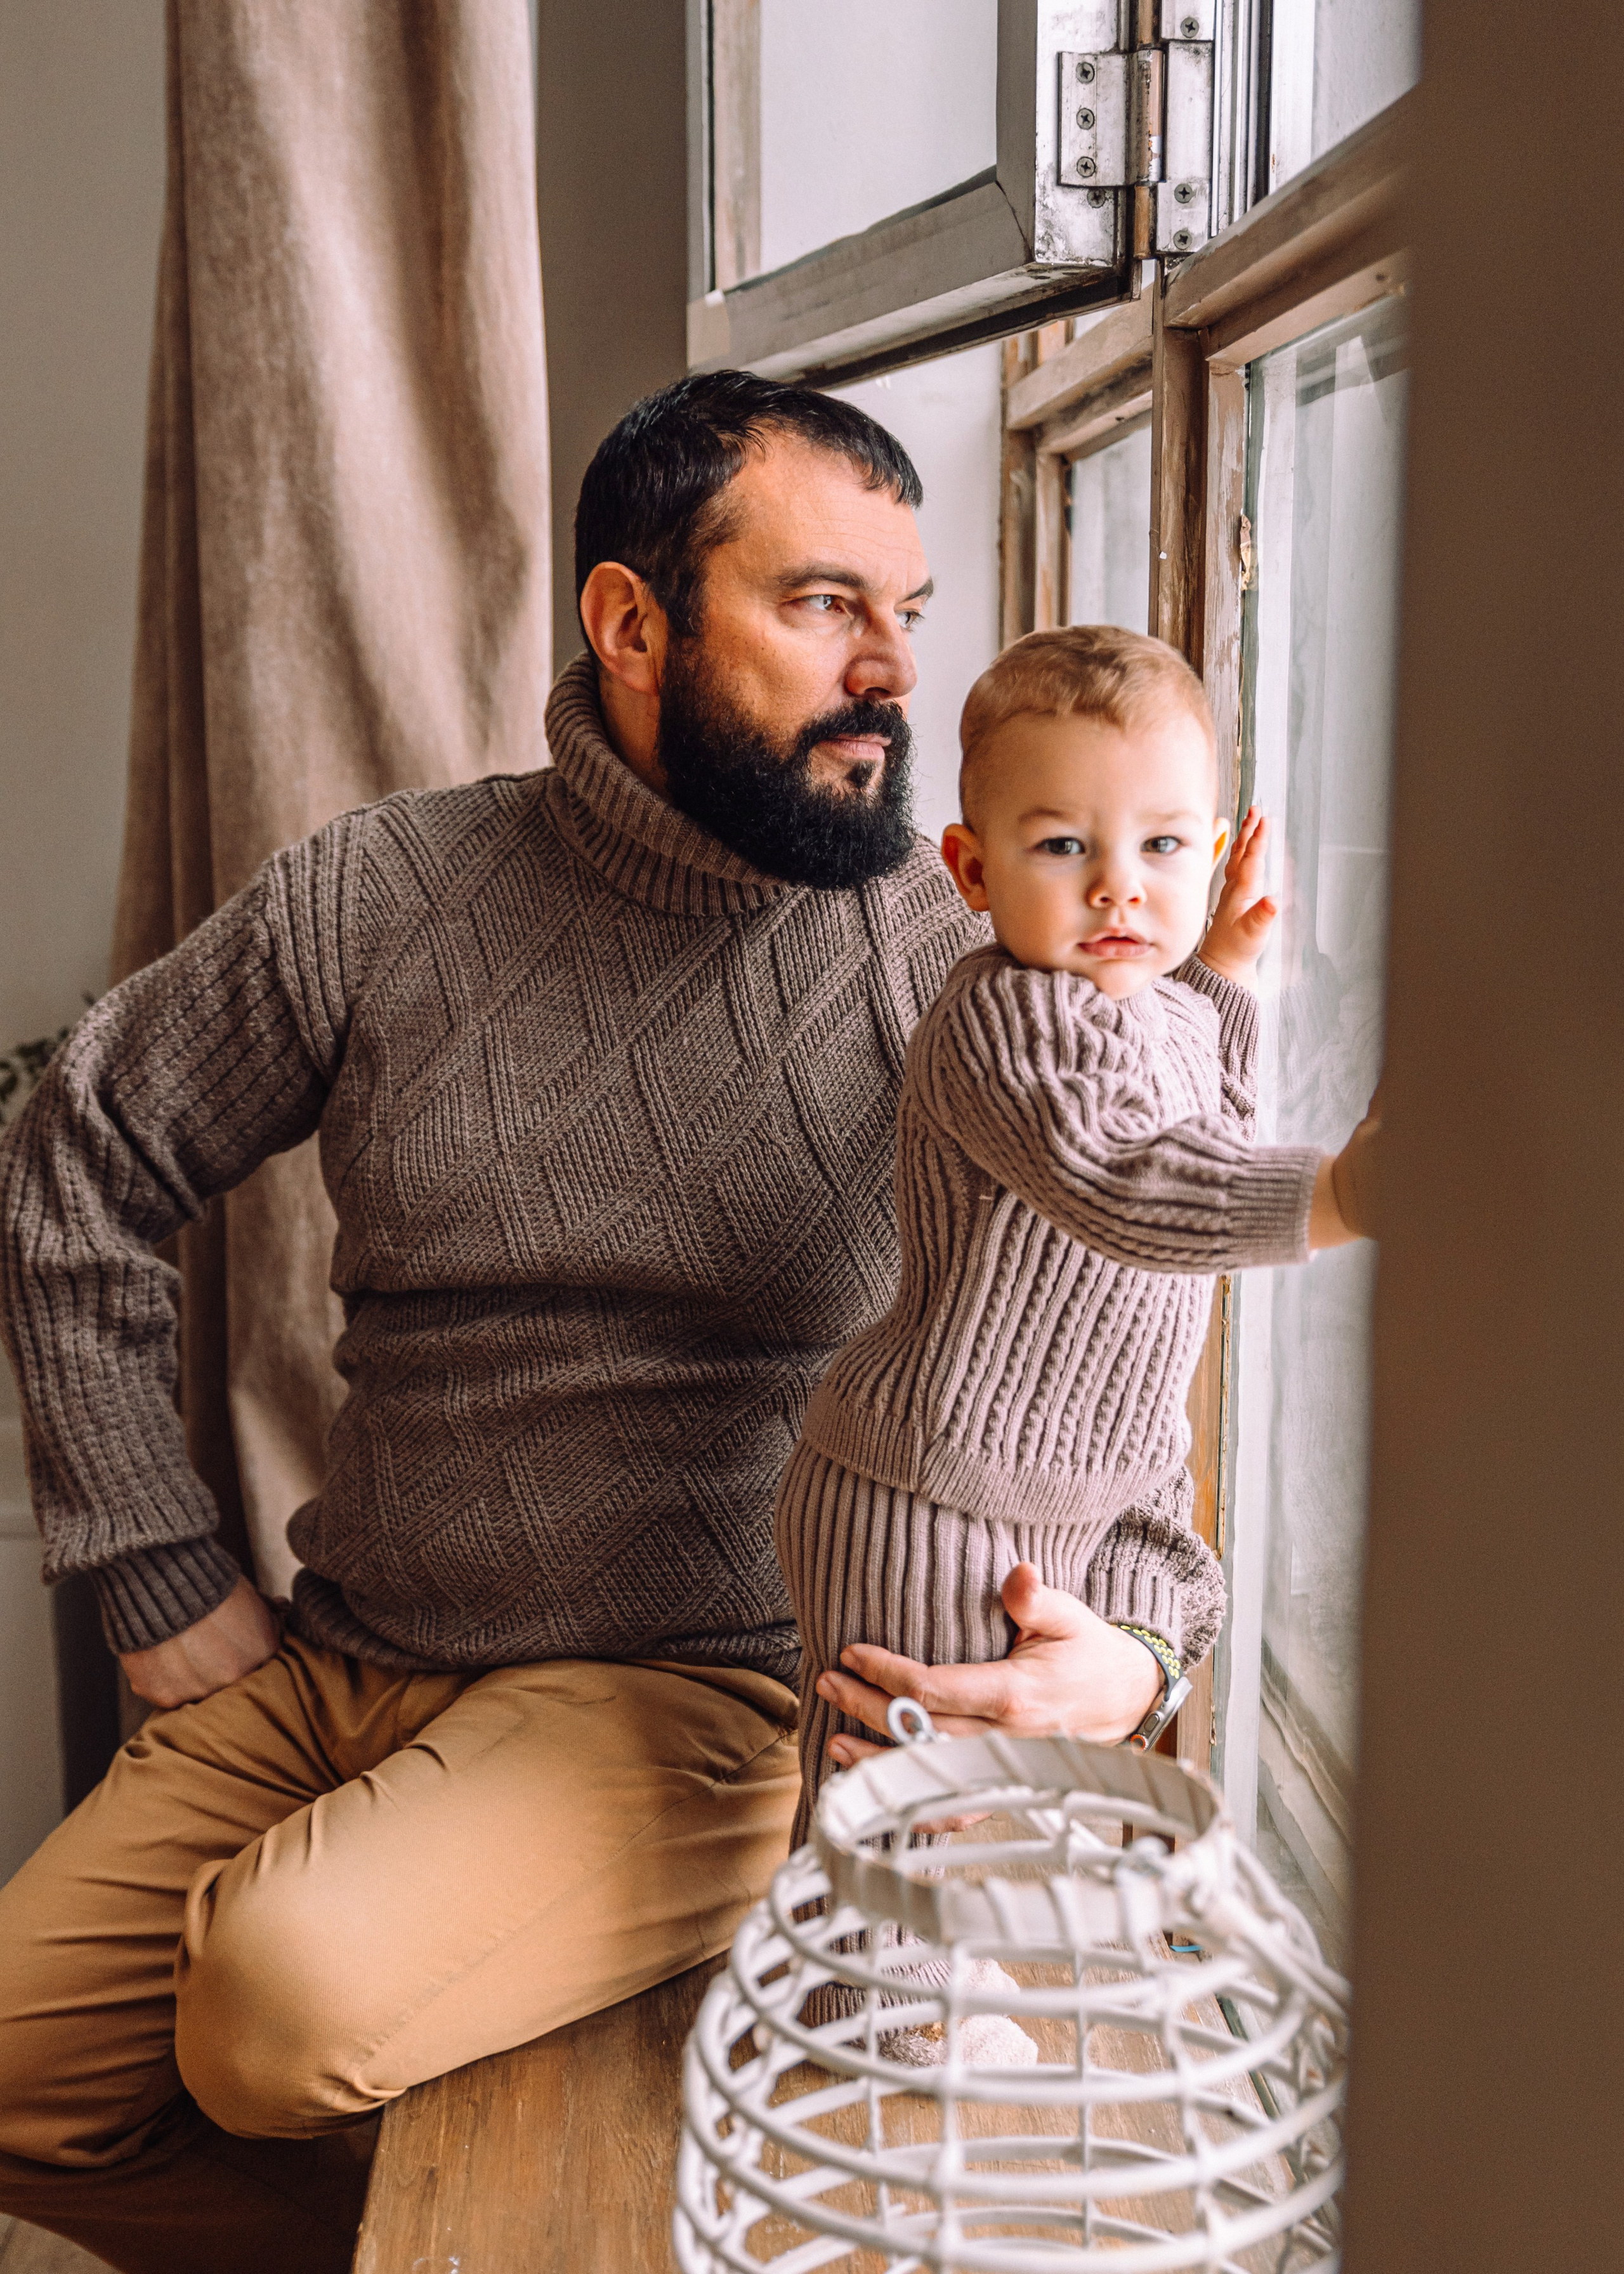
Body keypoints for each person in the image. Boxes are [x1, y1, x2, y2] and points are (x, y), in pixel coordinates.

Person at [0, 377, 1227, 2274]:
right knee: (18, 2071)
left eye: (908, 610)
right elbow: (80, 1142)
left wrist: (1133, 1653)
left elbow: (1124, 1346)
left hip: (709, 1690)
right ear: (631, 624)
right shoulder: (381, 893)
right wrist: (155, 1562)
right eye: (824, 605)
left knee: (273, 2015)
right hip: (348, 1651)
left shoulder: (965, 958)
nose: (893, 670)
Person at [777, 625, 1380, 1844]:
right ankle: (863, 1973)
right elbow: (1123, 1176)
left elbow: (1192, 1113)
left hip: (1067, 1496)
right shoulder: (1002, 1018)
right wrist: (1340, 1197)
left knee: (991, 1833)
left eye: (1163, 846)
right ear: (971, 869)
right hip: (933, 1497)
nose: (1119, 886)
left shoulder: (1149, 1006)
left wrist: (1220, 972)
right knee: (897, 1844)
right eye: (1064, 845)